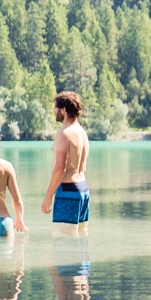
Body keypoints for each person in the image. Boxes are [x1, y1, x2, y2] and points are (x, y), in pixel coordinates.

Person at [44, 91, 91, 234]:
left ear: (63, 110)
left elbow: (60, 168)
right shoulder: (82, 133)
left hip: (67, 191)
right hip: (83, 189)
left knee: (63, 242)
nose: (54, 111)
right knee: (81, 241)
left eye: (56, 108)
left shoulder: (64, 133)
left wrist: (48, 197)